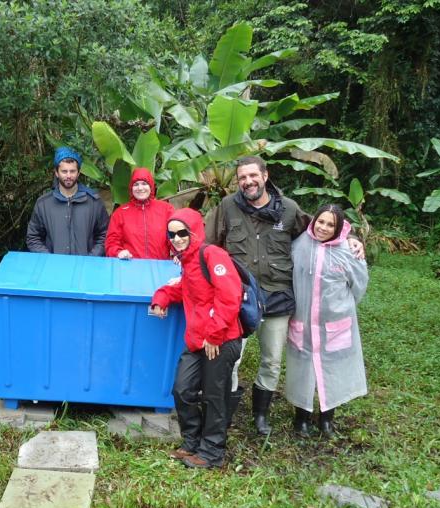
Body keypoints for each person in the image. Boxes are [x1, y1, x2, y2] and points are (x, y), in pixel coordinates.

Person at [205, 155, 364, 435]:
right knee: (232, 359)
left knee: (272, 360)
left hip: (276, 298)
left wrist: (351, 239)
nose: (248, 182)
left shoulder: (288, 209)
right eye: (242, 177)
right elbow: (208, 244)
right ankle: (223, 413)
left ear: (265, 176)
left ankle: (260, 415)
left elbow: (322, 230)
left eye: (253, 175)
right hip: (238, 299)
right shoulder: (227, 207)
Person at [151, 208, 244, 469]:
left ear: (194, 231)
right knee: (182, 389)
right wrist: (161, 298)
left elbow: (230, 296)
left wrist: (214, 335)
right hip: (197, 340)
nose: (177, 239)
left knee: (214, 396)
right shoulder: (188, 261)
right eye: (171, 235)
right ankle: (192, 442)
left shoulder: (212, 254)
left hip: (220, 340)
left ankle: (211, 452)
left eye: (182, 233)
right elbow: (183, 288)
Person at [284, 205, 368, 437]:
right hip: (302, 320)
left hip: (334, 323)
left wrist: (339, 307)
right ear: (314, 221)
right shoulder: (299, 244)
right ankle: (301, 418)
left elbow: (359, 285)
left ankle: (327, 418)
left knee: (333, 370)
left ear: (338, 228)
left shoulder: (348, 250)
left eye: (331, 225)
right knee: (302, 368)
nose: (323, 228)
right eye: (321, 221)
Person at [26, 146, 109, 255]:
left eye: (72, 171)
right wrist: (49, 259)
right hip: (54, 264)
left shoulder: (94, 202)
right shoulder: (43, 204)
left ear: (78, 173)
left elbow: (104, 235)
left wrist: (91, 258)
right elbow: (33, 237)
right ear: (56, 173)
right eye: (64, 171)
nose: (68, 176)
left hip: (85, 264)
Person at [105, 167, 174, 260]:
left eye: (144, 184)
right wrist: (118, 252)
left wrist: (178, 255)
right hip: (130, 265)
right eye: (136, 184)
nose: (140, 188)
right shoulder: (120, 213)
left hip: (160, 265)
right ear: (131, 188)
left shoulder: (166, 209)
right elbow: (111, 242)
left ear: (151, 186)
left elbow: (176, 237)